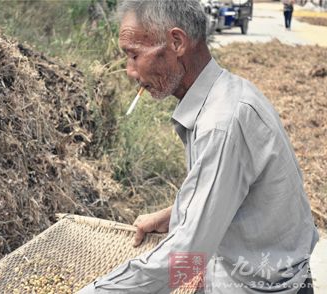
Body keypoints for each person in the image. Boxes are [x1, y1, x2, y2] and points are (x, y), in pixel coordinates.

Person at [78, 0, 319, 293]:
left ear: (176, 42)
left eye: (134, 55)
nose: (130, 71)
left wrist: (96, 289)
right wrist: (173, 215)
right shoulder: (227, 92)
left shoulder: (223, 122)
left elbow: (188, 254)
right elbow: (229, 193)